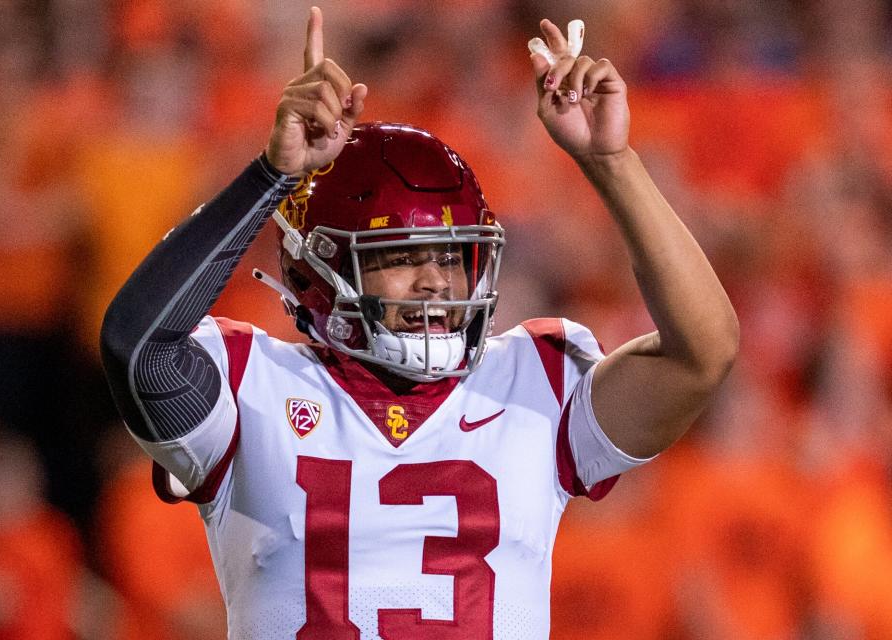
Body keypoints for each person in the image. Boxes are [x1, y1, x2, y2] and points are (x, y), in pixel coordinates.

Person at [100, 7, 738, 638]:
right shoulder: (251, 386)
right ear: (316, 270)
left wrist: (613, 162)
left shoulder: (533, 378)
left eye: (451, 256)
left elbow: (702, 353)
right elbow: (136, 344)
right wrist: (272, 175)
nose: (435, 280)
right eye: (399, 257)